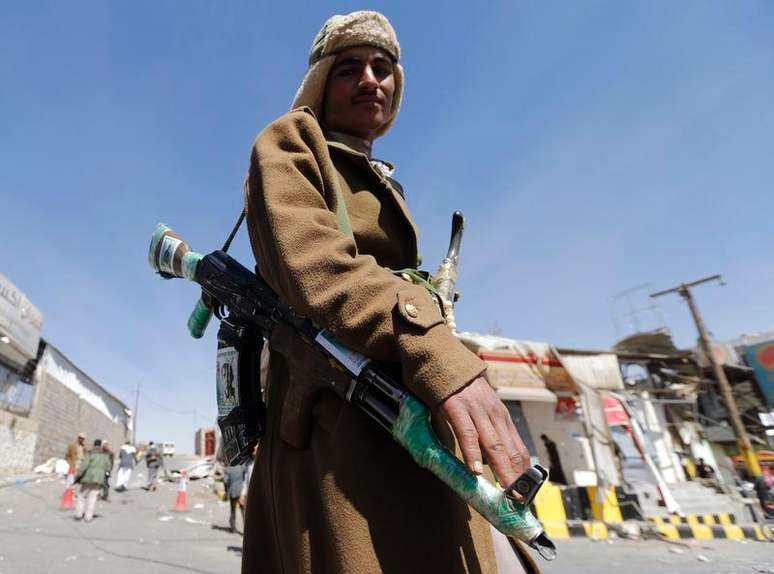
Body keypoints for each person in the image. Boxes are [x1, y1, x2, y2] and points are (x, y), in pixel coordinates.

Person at [241, 11, 531, 573]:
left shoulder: (376, 173)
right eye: (350, 67)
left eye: (384, 67)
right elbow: (319, 269)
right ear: (321, 80)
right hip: (339, 421)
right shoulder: (292, 140)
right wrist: (440, 353)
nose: (372, 79)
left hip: (406, 411)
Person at [73, 439, 112, 522]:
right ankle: (88, 517)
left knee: (81, 496)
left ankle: (79, 514)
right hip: (98, 479)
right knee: (93, 498)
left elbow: (83, 466)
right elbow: (108, 468)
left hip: (88, 478)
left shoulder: (90, 453)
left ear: (94, 445)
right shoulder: (105, 456)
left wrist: (77, 477)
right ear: (100, 445)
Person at [224, 463, 247, 533]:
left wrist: (226, 489)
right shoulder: (241, 467)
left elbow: (225, 481)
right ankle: (246, 528)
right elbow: (245, 476)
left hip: (232, 492)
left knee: (233, 510)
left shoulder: (228, 469)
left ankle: (233, 528)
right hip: (241, 492)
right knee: (243, 511)